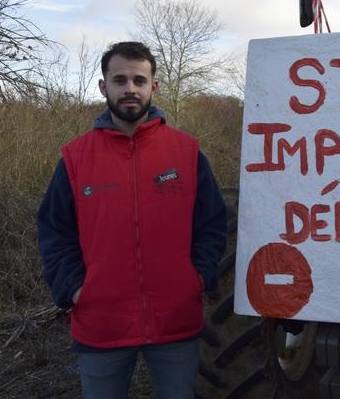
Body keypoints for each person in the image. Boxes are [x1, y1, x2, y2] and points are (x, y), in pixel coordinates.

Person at [37, 41, 227, 399]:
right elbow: (53, 231)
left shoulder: (185, 152)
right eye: (119, 79)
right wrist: (74, 289)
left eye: (139, 80)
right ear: (103, 86)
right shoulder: (76, 158)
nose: (129, 89)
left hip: (176, 322)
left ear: (153, 86)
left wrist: (198, 277)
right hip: (101, 324)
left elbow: (212, 223)